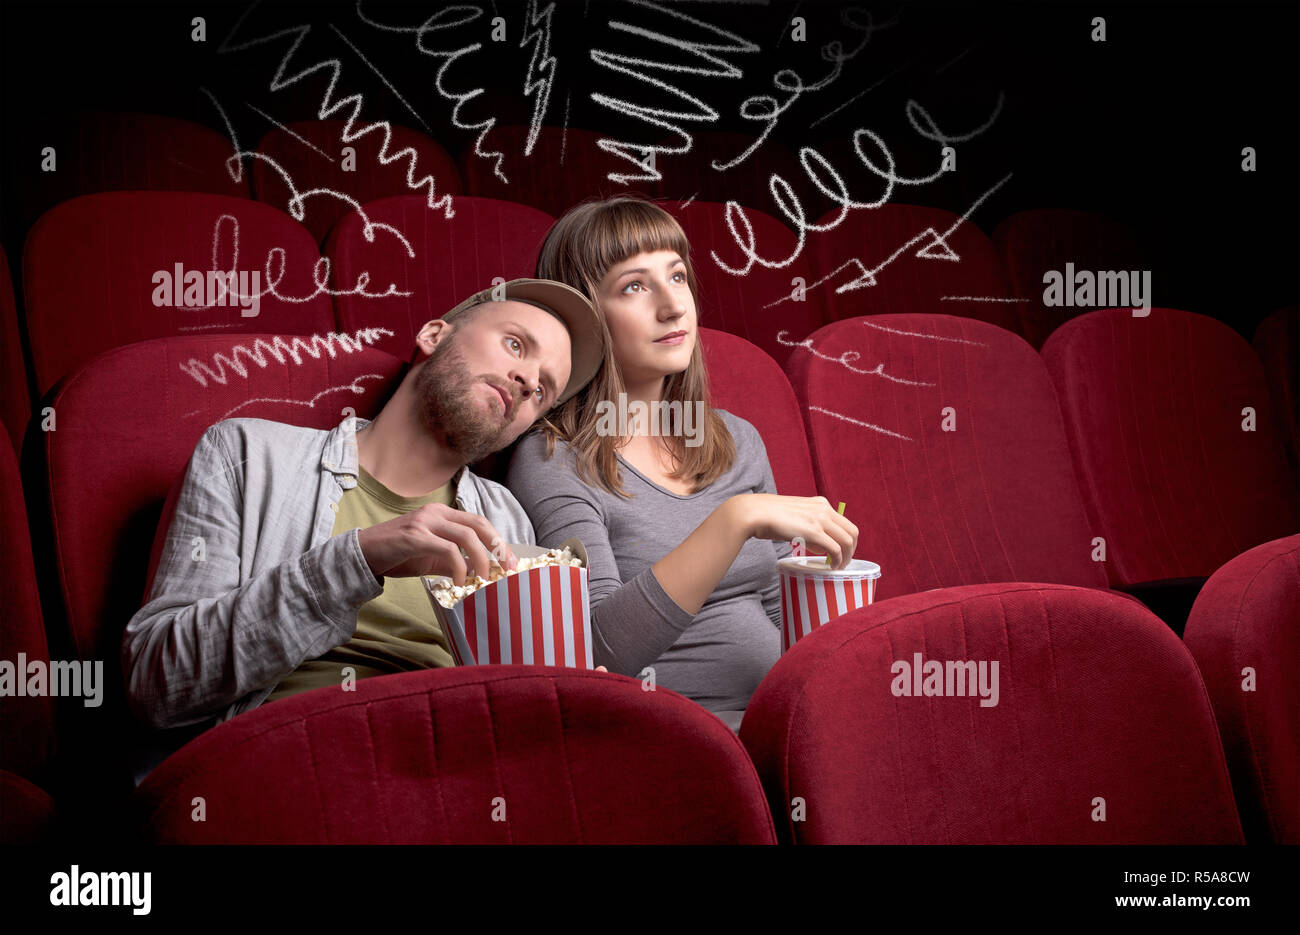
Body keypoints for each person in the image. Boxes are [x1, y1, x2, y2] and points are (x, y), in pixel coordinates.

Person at [121, 279, 603, 781]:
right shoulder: (245, 456)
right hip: (287, 771)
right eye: (515, 344)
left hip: (457, 780)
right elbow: (155, 685)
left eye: (543, 390)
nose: (528, 380)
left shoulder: (507, 520)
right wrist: (358, 560)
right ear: (434, 335)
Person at [507, 197, 858, 731]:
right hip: (670, 735)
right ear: (581, 316)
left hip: (775, 722)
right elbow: (598, 654)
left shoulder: (736, 440)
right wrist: (734, 520)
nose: (673, 306)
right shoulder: (553, 458)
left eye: (677, 276)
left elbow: (773, 608)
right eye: (634, 286)